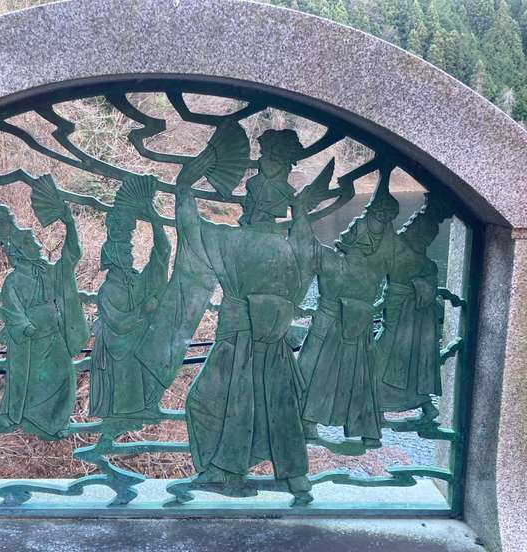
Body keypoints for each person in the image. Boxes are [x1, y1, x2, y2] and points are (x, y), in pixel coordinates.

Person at [172, 128, 330, 505]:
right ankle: (292, 477)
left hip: (237, 342)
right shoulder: (291, 248)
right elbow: (308, 265)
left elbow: (192, 230)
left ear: (254, 204)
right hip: (272, 343)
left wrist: (184, 186)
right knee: (277, 408)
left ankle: (228, 473)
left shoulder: (233, 241)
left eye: (250, 197)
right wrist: (301, 211)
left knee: (208, 403)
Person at [299, 171, 399, 448]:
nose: (355, 227)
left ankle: (310, 423)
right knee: (352, 376)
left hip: (336, 327)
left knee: (318, 373)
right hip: (352, 328)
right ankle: (363, 430)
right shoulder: (372, 269)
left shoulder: (336, 261)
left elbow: (304, 243)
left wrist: (302, 210)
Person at [0, 202, 88, 439]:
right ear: (21, 250)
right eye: (32, 243)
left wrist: (70, 223)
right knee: (24, 382)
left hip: (53, 336)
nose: (39, 246)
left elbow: (71, 256)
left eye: (36, 241)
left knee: (65, 376)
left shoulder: (49, 272)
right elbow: (12, 309)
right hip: (28, 342)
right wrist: (25, 326)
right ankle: (22, 418)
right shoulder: (14, 281)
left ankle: (56, 422)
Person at [89, 196, 170, 438]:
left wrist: (153, 216)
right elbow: (118, 324)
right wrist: (142, 311)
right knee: (119, 411)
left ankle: (113, 437)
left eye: (130, 250)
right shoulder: (108, 290)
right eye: (126, 251)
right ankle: (106, 440)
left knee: (133, 407)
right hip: (117, 358)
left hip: (135, 354)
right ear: (115, 256)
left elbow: (162, 253)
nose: (131, 255)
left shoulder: (136, 281)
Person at [375, 193, 451, 421]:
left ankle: (378, 407)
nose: (408, 227)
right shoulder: (424, 263)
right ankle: (425, 407)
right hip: (408, 316)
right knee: (403, 359)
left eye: (412, 225)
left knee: (384, 354)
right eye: (410, 223)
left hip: (403, 316)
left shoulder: (407, 254)